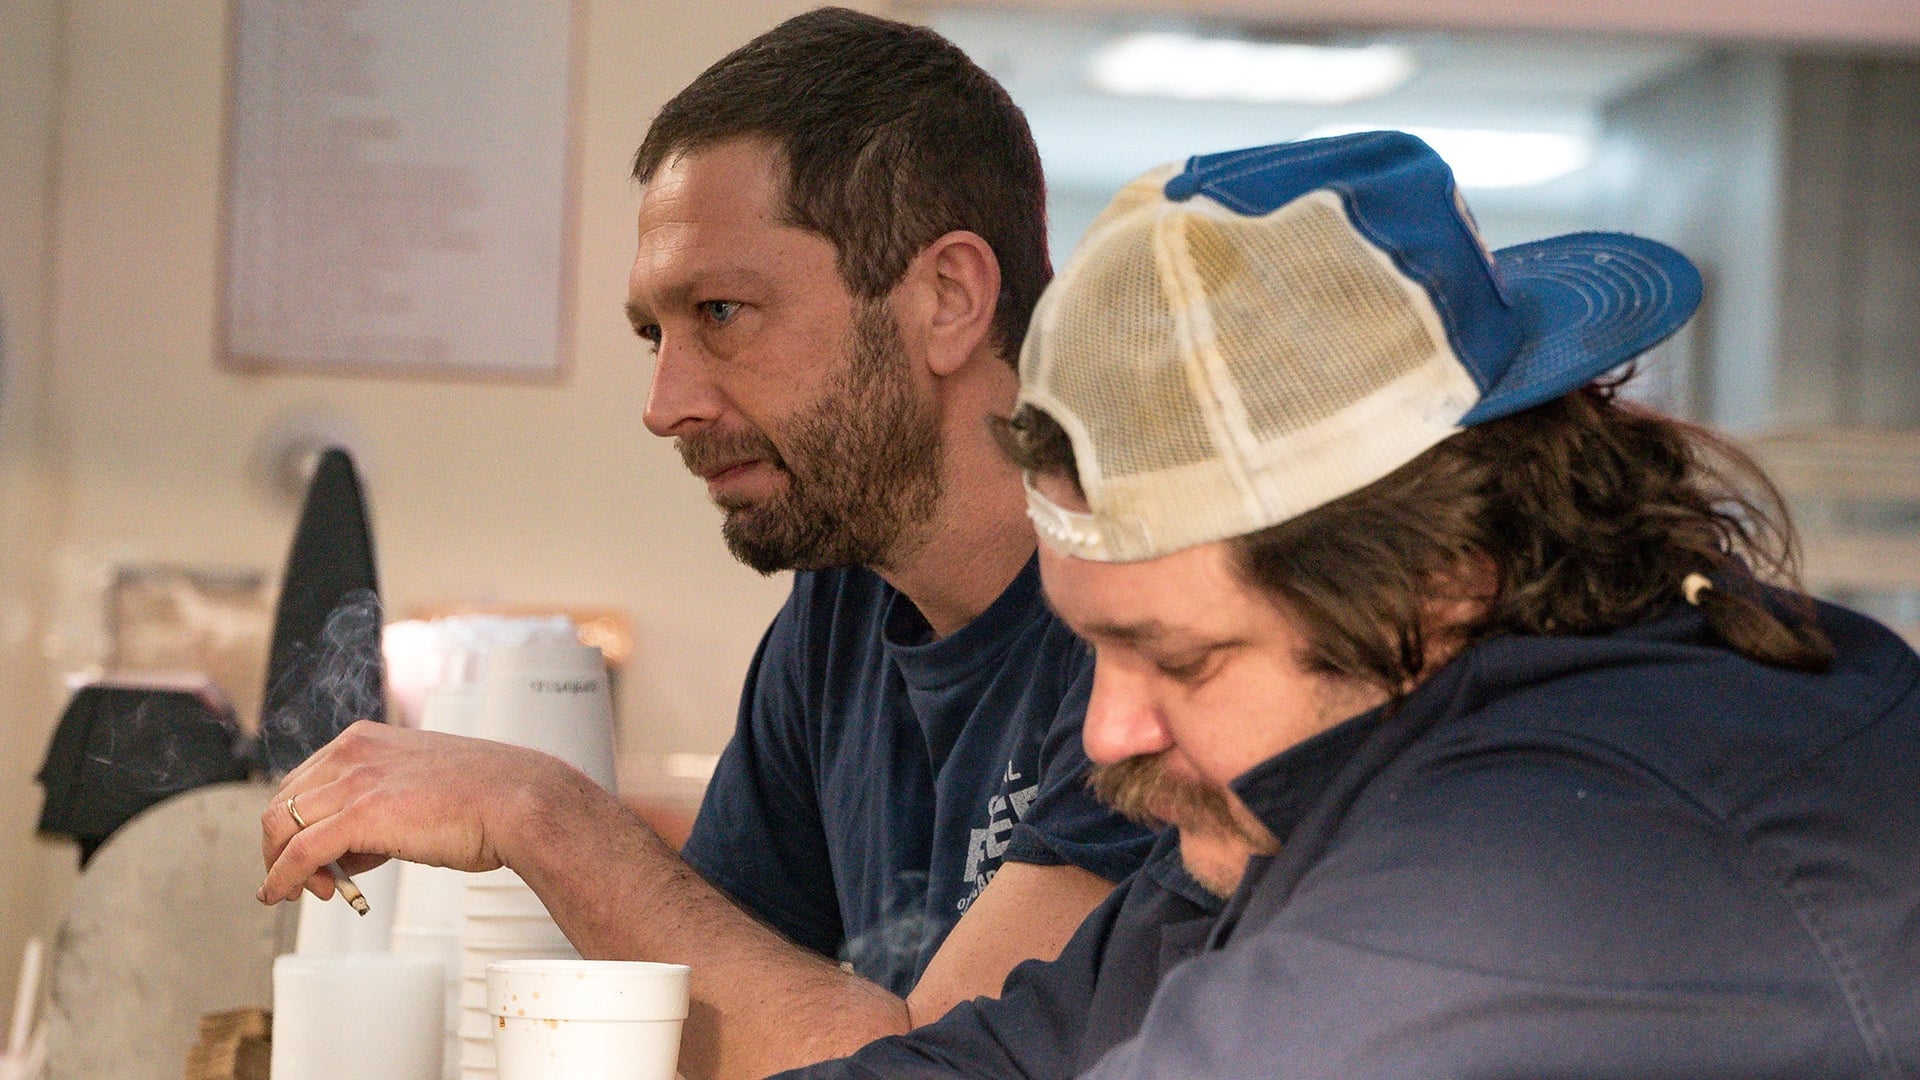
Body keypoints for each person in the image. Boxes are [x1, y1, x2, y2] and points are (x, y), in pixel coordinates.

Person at [783, 131, 1920, 1078]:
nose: (1104, 734)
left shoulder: (1560, 864)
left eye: (1182, 659)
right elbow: (999, 1059)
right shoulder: (1328, 765)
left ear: (1441, 574)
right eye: (1094, 648)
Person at [257, 9, 1151, 1078]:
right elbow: (698, 1012)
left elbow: (942, 1071)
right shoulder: (842, 609)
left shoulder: (1156, 641)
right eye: (654, 332)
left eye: (722, 311)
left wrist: (541, 812)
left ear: (948, 298)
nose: (664, 403)